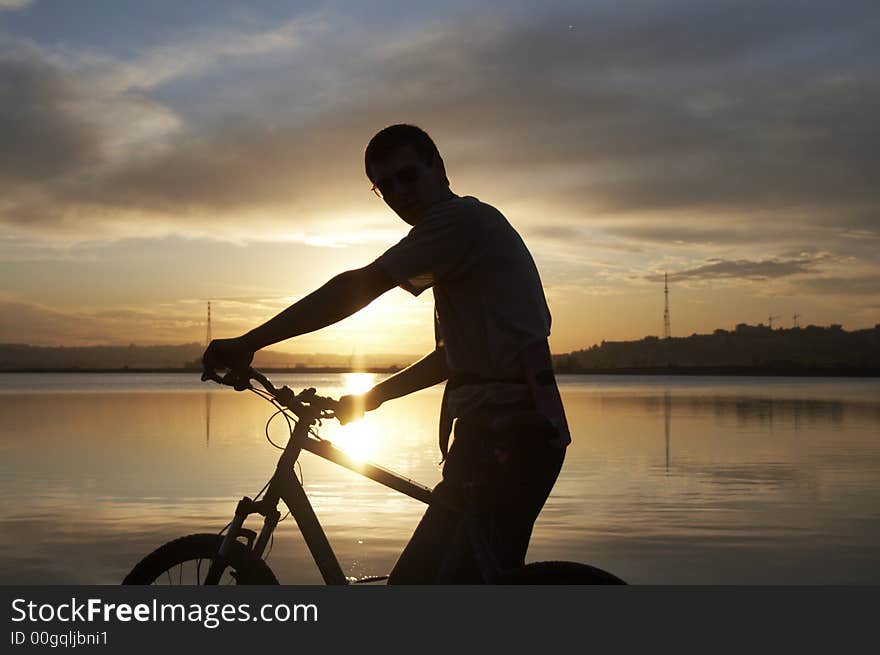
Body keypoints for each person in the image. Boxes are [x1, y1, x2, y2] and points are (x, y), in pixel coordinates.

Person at [202, 124, 571, 583]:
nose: (400, 193)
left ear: (439, 168)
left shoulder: (458, 223)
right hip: (498, 436)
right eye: (385, 186)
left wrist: (248, 342)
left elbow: (357, 287)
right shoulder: (460, 242)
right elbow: (450, 359)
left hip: (509, 439)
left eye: (409, 176)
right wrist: (371, 397)